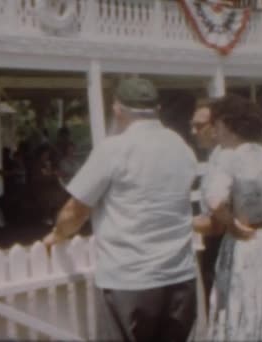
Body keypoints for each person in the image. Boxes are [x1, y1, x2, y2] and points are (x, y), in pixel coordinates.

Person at [42, 78, 199, 342]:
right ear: (157, 109)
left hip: (130, 279)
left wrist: (56, 235)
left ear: (118, 109)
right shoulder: (181, 147)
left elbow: (76, 210)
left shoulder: (113, 149)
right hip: (180, 275)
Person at [198, 94, 262, 341]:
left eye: (217, 123)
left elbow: (215, 201)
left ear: (227, 124)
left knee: (241, 310)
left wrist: (231, 224)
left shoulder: (229, 158)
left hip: (244, 242)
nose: (215, 130)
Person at [189, 98, 224, 316]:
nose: (194, 131)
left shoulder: (223, 161)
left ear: (217, 126)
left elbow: (218, 223)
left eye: (199, 125)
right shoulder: (215, 157)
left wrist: (181, 223)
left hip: (220, 247)